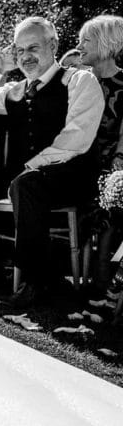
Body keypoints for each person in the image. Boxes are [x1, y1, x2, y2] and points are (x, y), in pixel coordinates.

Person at [0, 16, 103, 307]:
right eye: (19, 50)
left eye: (33, 47)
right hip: (24, 179)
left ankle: (36, 281)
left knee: (27, 184)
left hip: (68, 176)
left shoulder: (79, 80)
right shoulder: (13, 90)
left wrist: (30, 167)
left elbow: (76, 138)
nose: (25, 56)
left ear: (54, 45)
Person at [76, 15, 123, 289]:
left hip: (109, 165)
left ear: (105, 44)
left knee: (114, 195)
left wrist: (118, 160)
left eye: (87, 40)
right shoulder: (77, 82)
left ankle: (103, 278)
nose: (79, 45)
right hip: (76, 161)